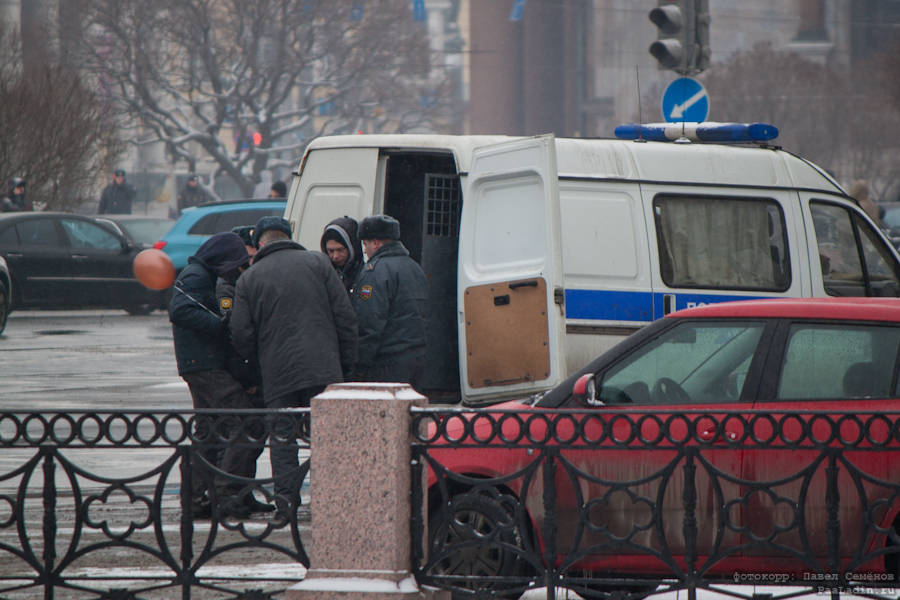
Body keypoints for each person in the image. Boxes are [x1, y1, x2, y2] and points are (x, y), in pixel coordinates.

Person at [229, 216, 357, 519]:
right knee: (326, 437)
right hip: (324, 370)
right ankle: (331, 502)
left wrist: (256, 369)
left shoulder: (249, 278)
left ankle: (286, 503)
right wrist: (347, 368)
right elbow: (346, 318)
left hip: (278, 373)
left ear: (260, 243)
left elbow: (241, 334)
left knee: (283, 439)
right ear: (289, 235)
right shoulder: (319, 264)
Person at [168, 231, 266, 519]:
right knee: (248, 421)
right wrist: (219, 325)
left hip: (199, 363)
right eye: (235, 265)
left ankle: (196, 498)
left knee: (208, 430)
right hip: (204, 365)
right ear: (221, 259)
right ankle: (227, 494)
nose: (237, 271)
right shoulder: (197, 276)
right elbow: (181, 310)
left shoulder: (199, 274)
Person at [352, 214, 428, 390]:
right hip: (416, 358)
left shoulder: (375, 272)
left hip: (387, 362)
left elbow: (369, 321)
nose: (365, 250)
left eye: (365, 244)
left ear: (376, 243)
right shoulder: (414, 267)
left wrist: (360, 365)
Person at [320, 216, 363, 295]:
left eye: (340, 250)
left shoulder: (365, 276)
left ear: (352, 248)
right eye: (331, 251)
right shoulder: (321, 275)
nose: (335, 256)